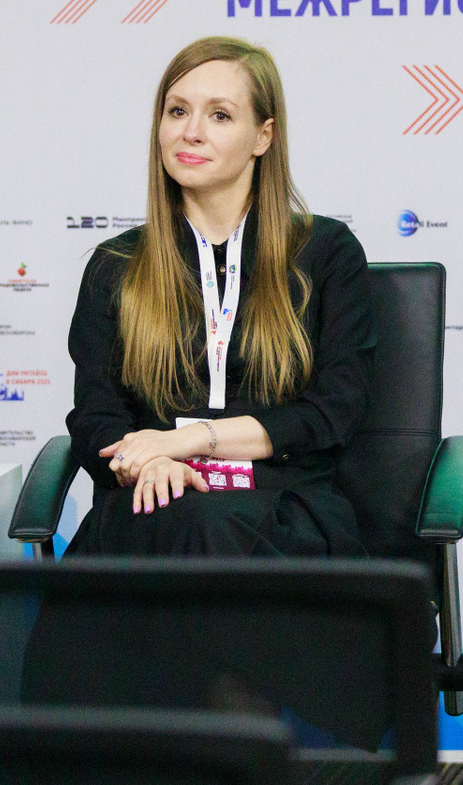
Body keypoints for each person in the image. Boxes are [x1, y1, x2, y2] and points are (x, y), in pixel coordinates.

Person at [63, 35, 372, 557]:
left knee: (209, 529)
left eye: (220, 115)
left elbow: (330, 412)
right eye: (177, 111)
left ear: (263, 136)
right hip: (152, 502)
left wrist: (187, 441)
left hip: (281, 507)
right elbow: (96, 416)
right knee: (180, 523)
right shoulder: (116, 265)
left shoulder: (325, 252)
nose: (191, 132)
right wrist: (149, 462)